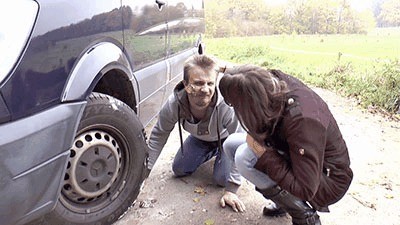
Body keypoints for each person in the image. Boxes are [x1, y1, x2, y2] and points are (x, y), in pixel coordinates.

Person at [218, 65, 353, 225]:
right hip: (293, 153)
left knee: (243, 158)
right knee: (231, 144)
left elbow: (306, 188)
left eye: (235, 105)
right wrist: (227, 70)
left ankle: (304, 215)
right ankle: (285, 203)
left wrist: (263, 153)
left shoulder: (303, 120)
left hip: (326, 180)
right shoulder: (272, 83)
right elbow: (247, 77)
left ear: (250, 105)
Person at [146, 55, 246, 211]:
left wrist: (232, 190)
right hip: (199, 139)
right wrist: (144, 171)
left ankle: (221, 154)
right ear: (186, 84)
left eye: (210, 83)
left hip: (227, 141)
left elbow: (241, 143)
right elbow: (159, 135)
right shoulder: (174, 104)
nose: (205, 89)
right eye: (198, 83)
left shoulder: (226, 105)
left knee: (221, 179)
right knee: (179, 169)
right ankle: (211, 152)